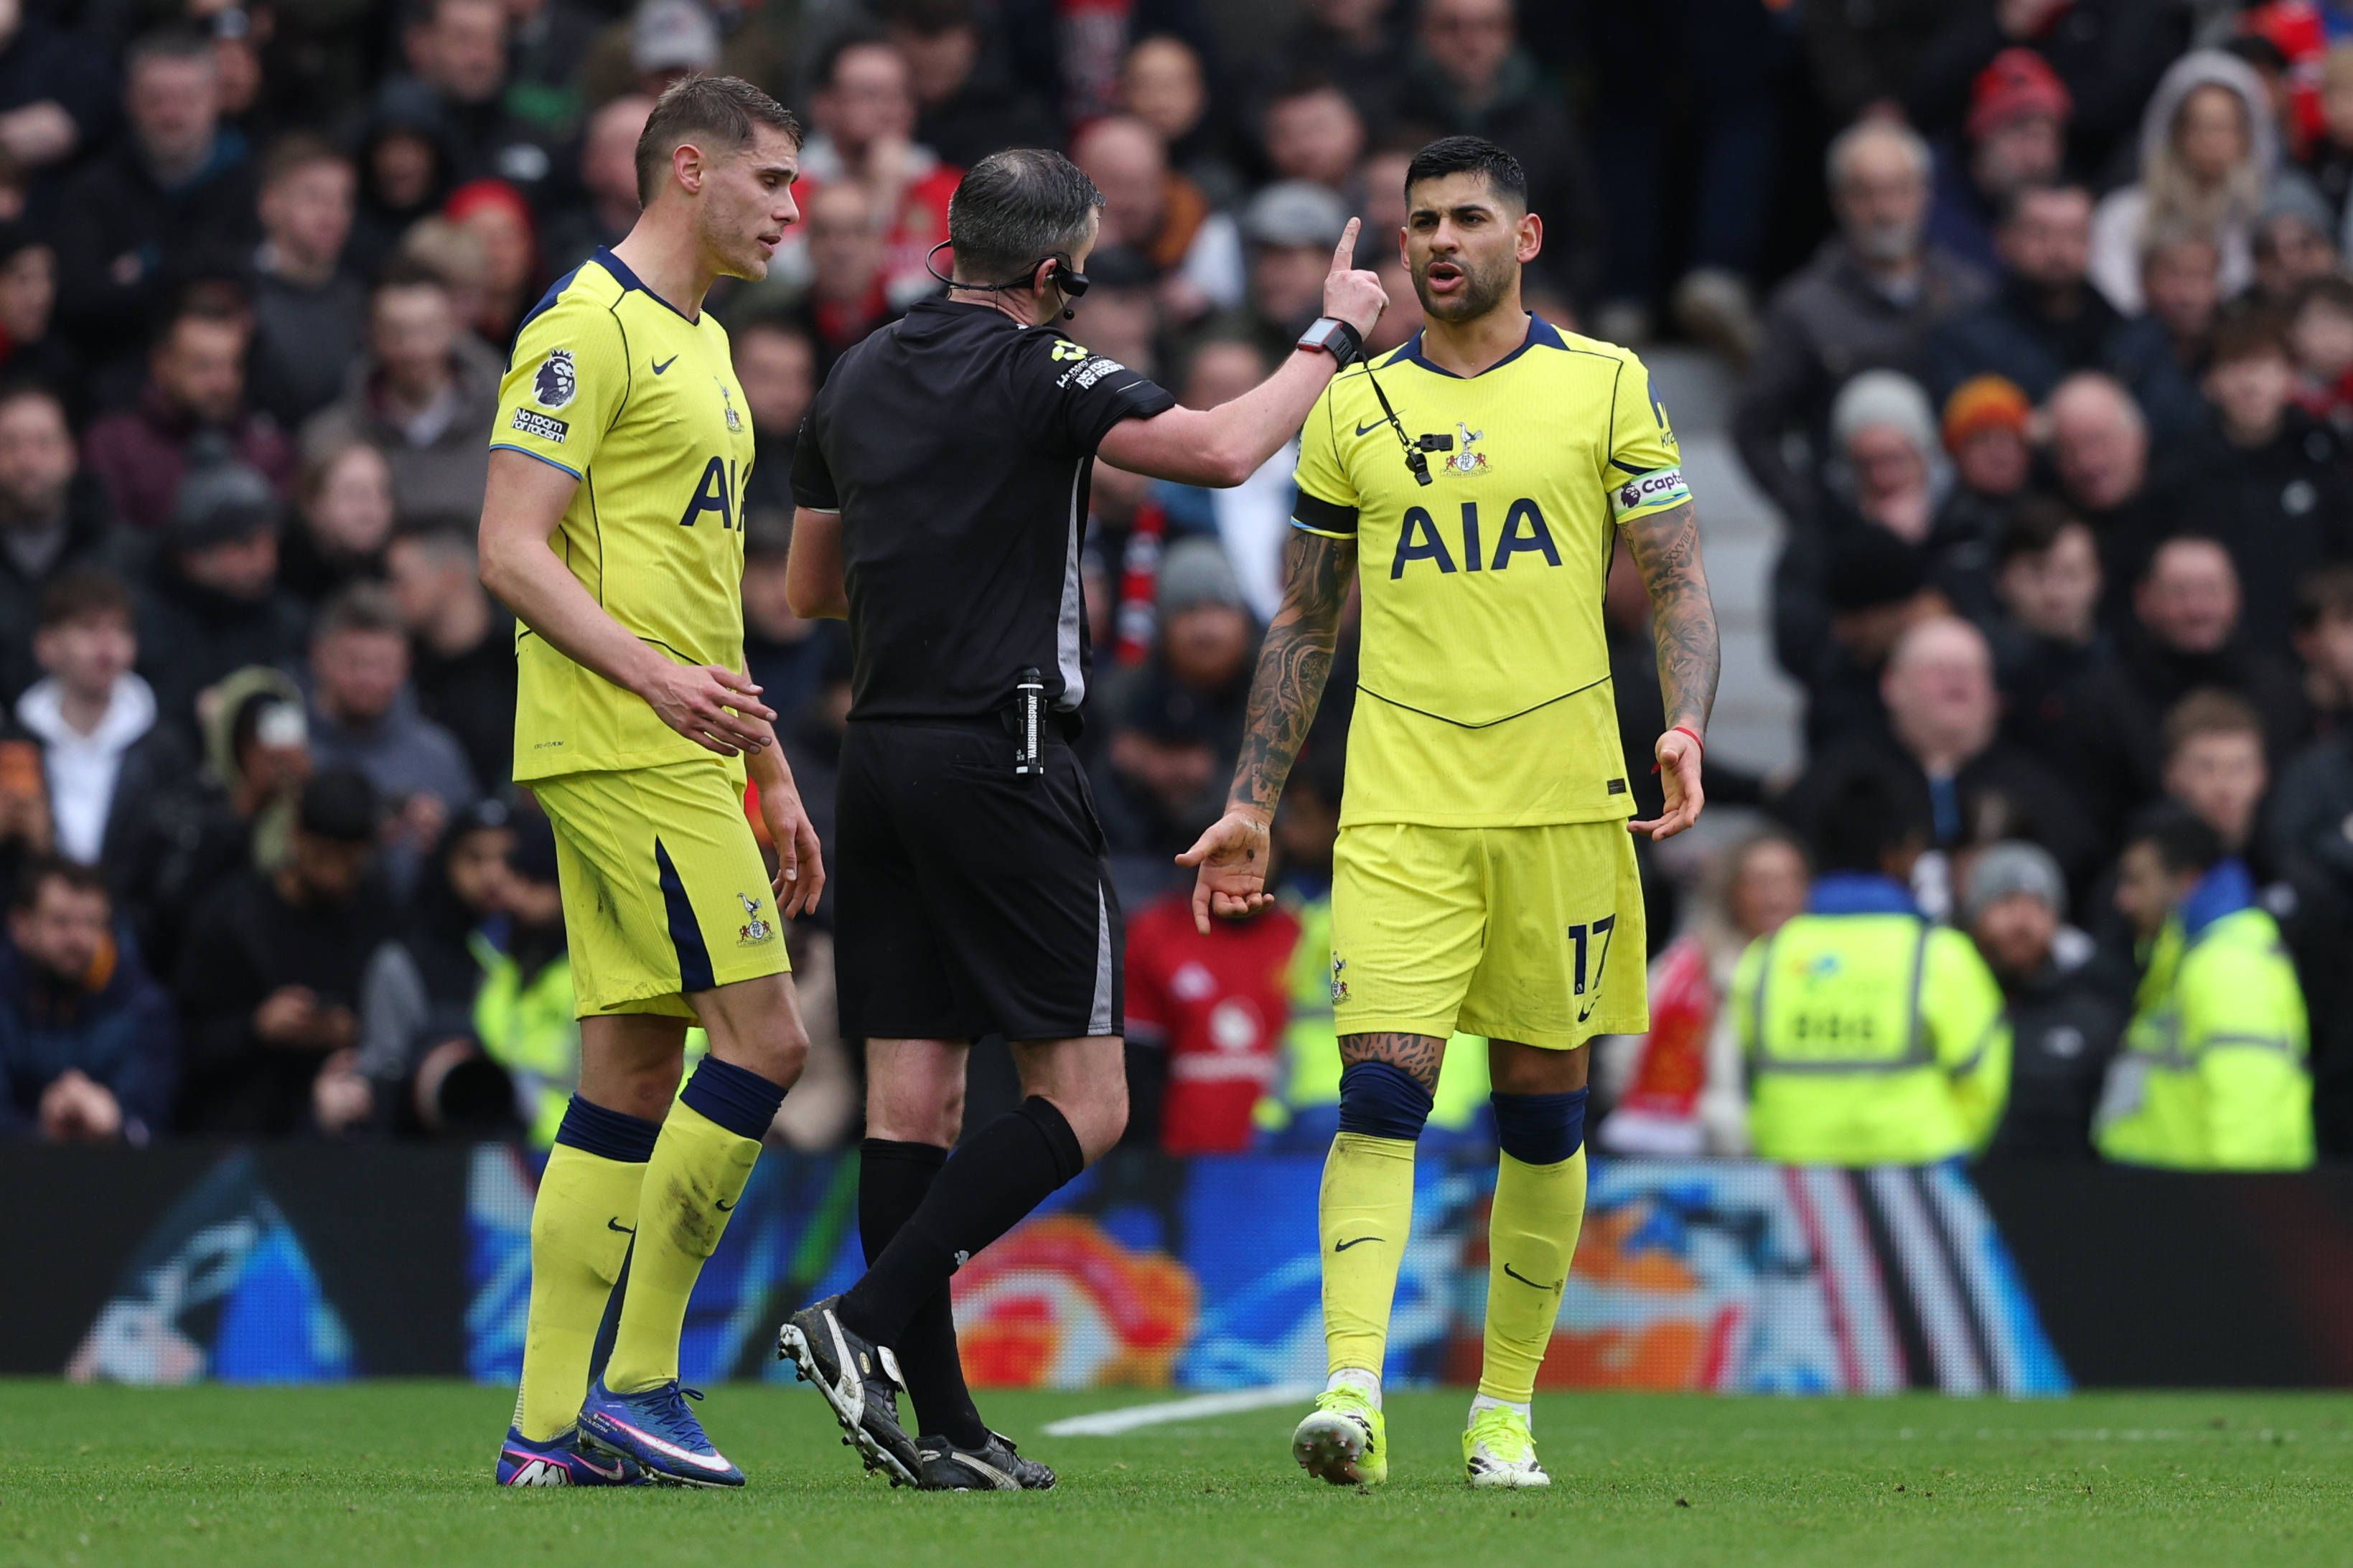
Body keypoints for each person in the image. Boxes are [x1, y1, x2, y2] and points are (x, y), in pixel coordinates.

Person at [780, 144, 1384, 1490]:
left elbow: (811, 588)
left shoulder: (856, 372)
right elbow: (1224, 449)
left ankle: (941, 1424)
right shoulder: (1045, 370)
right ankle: (860, 1322)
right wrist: (1335, 330)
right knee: (1088, 1103)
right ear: (1055, 271)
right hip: (1004, 756)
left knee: (912, 1099)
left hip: (879, 756)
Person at [1178, 136, 1716, 1490]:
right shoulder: (1351, 409)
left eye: (1467, 218)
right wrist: (1251, 799)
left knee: (1540, 1110)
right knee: (1379, 1091)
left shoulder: (1605, 383)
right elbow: (1303, 622)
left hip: (1562, 807)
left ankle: (1503, 1415)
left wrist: (1683, 719)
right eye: (1420, 221)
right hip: (1401, 809)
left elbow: (1676, 580)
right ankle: (1351, 1391)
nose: (1437, 241)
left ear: (1522, 238)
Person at [474, 75, 823, 1490]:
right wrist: (655, 684)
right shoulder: (584, 325)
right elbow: (509, 546)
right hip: (625, 741)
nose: (793, 209)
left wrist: (770, 763)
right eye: (773, 180)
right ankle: (640, 1383)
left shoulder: (708, 343)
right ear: (690, 168)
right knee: (768, 1042)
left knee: (628, 1071)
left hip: (678, 741)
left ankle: (541, 1433)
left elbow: (703, 596)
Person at [1733, 761, 2010, 1166]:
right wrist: (1953, 1147)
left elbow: (1738, 1075)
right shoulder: (1940, 954)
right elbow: (1984, 1076)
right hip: (1918, 1170)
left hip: (1791, 1172)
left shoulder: (1767, 955)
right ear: (1898, 855)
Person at [1735, 121, 1987, 525]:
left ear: (1924, 194)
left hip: (1962, 526)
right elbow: (1755, 429)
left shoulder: (1969, 294)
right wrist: (1815, 517)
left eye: (1898, 189)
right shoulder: (1803, 307)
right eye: (1865, 193)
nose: (1884, 210)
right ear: (1838, 201)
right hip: (1847, 533)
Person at [173, 766, 391, 1137]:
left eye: (350, 861)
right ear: (296, 836)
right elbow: (184, 1041)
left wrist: (354, 1029)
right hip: (242, 1127)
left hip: (349, 1127)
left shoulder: (376, 915)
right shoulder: (232, 917)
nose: (335, 874)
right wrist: (258, 1028)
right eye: (323, 856)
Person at [2095, 806, 2313, 1170]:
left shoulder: (2229, 965)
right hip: (2169, 1193)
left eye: (2137, 881)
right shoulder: (2187, 959)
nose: (2124, 899)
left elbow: (2250, 1109)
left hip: (2203, 1198)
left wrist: (2236, 1202)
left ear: (2188, 880)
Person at [1596, 830, 1808, 1158]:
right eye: (1759, 882)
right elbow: (1623, 1056)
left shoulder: (1828, 968)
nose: (1774, 896)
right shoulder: (1686, 967)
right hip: (1702, 1149)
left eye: (1786, 880)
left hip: (1796, 1145)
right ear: (1733, 892)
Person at [302, 263, 501, 523]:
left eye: (427, 330)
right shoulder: (331, 438)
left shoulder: (504, 427)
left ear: (454, 329)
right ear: (371, 334)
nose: (414, 348)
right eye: (397, 332)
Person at [1963, 840, 2123, 1159]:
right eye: (2007, 902)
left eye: (2039, 905)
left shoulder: (2091, 1016)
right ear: (1974, 914)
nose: (2023, 922)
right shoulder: (1948, 1005)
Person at [0, 858, 177, 1142]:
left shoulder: (141, 1005)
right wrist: (39, 1131)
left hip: (113, 1167)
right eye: (61, 922)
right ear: (21, 926)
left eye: (91, 923)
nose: (77, 939)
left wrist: (115, 1122)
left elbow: (150, 1118)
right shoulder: (6, 999)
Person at [83, 300, 294, 532]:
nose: (223, 383)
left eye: (233, 366)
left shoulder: (267, 448)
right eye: (204, 366)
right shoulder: (115, 445)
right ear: (161, 364)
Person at [0, 385, 125, 706]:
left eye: (43, 443)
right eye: (9, 445)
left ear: (70, 453)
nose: (27, 461)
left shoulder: (117, 553)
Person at [248, 134, 365, 428]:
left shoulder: (360, 299)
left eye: (343, 200)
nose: (332, 215)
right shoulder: (236, 294)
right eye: (314, 198)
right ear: (270, 204)